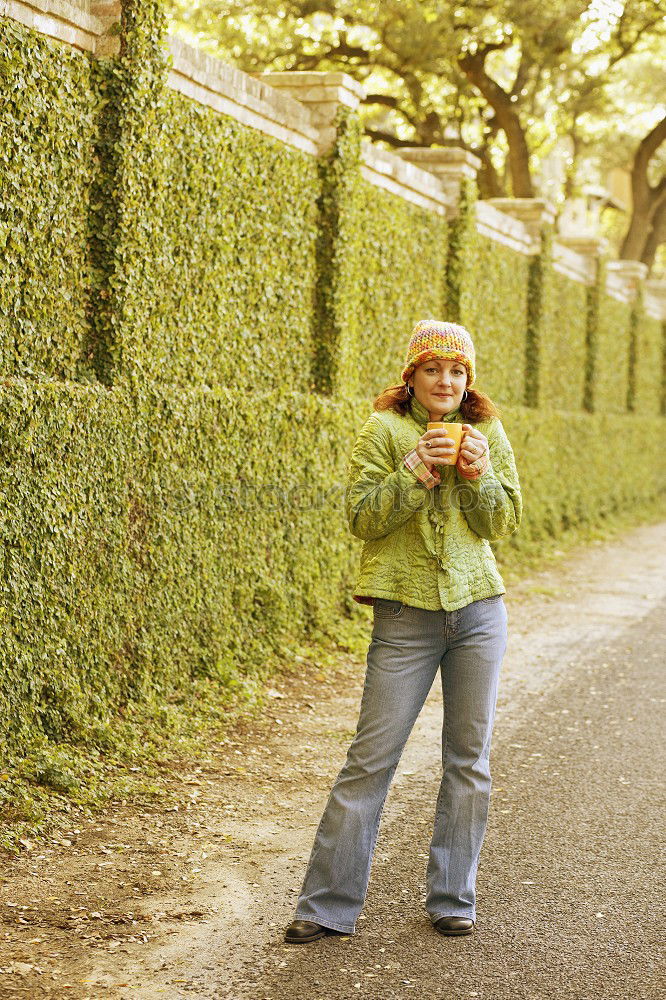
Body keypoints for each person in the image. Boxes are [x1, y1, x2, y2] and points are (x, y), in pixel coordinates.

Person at [284, 319, 522, 943]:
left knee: (467, 760)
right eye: (433, 369)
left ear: (468, 379)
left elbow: (503, 520)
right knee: (370, 760)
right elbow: (362, 518)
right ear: (411, 376)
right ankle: (325, 905)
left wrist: (478, 475)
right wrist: (415, 470)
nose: (445, 380)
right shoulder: (383, 430)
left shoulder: (487, 432)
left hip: (478, 612)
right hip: (405, 618)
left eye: (457, 371)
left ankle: (453, 899)